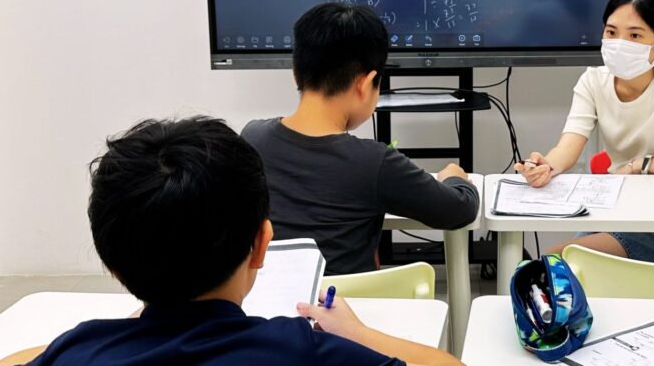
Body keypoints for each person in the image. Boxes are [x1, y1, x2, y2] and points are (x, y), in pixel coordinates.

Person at [27, 117, 462, 366]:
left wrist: (116, 336)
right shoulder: (301, 350)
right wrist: (359, 334)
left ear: (113, 265)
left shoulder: (76, 350)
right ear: (261, 244)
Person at [242, 3, 479, 275]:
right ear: (365, 84)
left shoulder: (252, 139)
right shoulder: (374, 162)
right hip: (347, 302)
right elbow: (460, 210)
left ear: (296, 71)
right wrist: (454, 178)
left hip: (270, 299)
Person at [514, 0, 654, 264]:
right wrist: (546, 167)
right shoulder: (593, 81)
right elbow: (567, 148)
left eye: (634, 35)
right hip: (614, 212)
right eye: (611, 32)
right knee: (557, 265)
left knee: (557, 259)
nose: (619, 43)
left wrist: (644, 165)